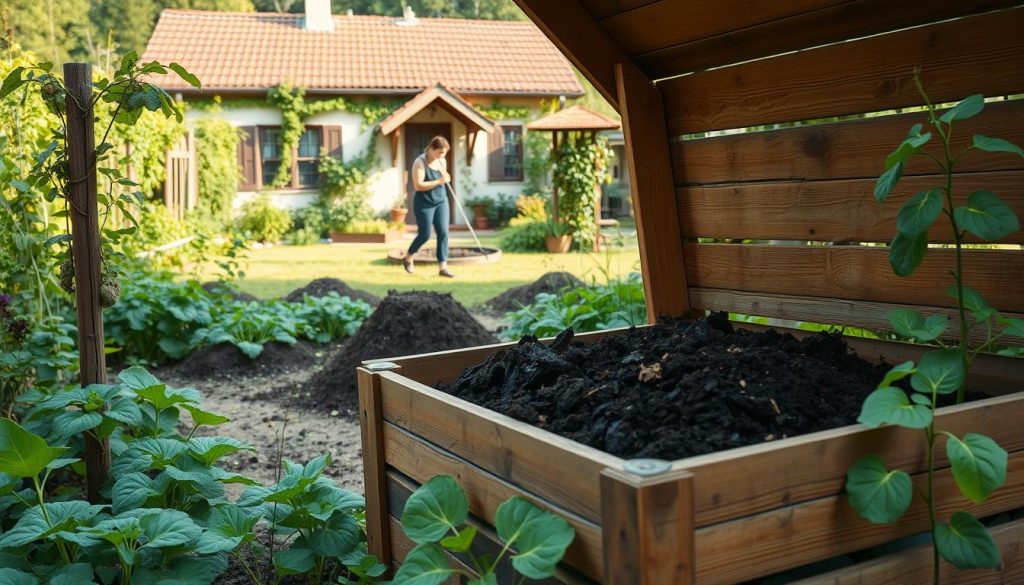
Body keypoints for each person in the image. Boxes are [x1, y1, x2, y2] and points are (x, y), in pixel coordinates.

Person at [404, 136, 455, 277]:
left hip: (441, 201)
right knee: (425, 234)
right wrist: (439, 181)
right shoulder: (419, 162)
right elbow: (418, 185)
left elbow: (444, 179)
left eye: (444, 153)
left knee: (443, 232)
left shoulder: (442, 161)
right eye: (440, 152)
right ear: (431, 149)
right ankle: (408, 256)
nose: (442, 156)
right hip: (424, 202)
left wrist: (445, 178)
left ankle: (443, 267)